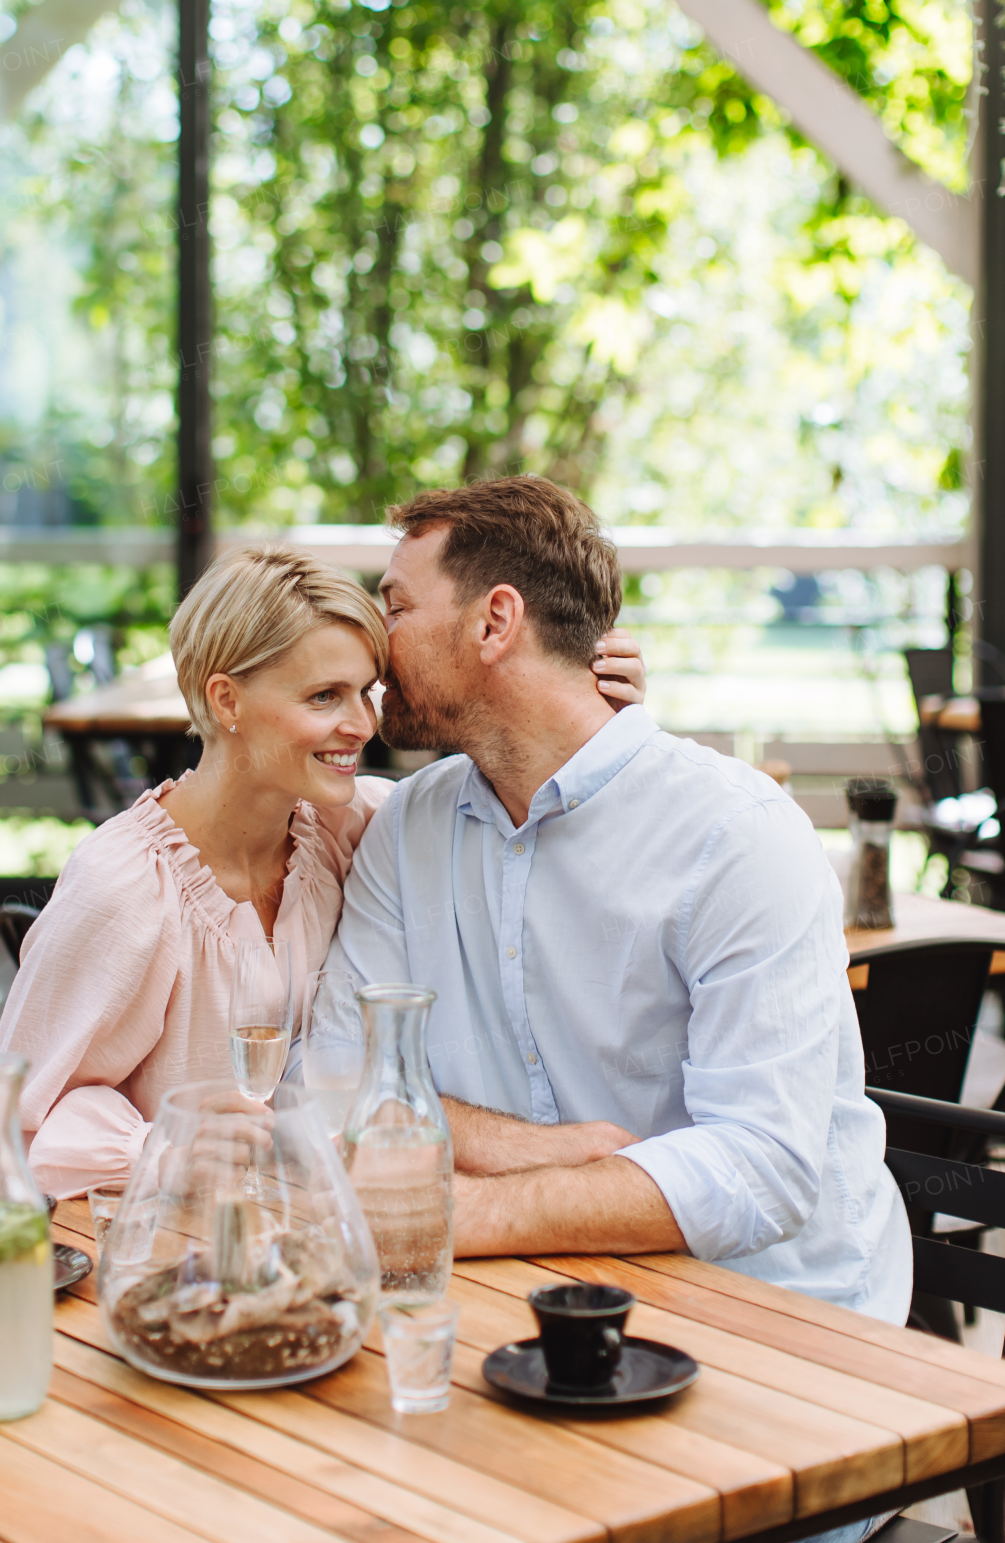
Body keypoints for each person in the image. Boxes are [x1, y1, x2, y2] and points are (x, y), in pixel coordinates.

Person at [332, 475, 911, 1338]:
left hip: (773, 1318)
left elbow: (762, 1168)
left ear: (495, 622)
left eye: (395, 606)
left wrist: (451, 1212)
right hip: (532, 1296)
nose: (373, 647)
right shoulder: (409, 826)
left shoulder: (737, 836)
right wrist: (550, 1154)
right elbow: (337, 1080)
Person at [0, 540, 647, 1194]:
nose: (363, 724)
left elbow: (517, 830)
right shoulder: (125, 889)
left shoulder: (350, 826)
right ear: (226, 701)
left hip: (313, 1239)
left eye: (366, 691)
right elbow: (17, 1123)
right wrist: (163, 1151)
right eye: (323, 697)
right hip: (170, 1257)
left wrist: (590, 722)